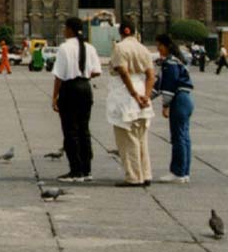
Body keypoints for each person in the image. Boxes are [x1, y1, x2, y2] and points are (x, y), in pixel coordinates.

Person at [52, 17, 103, 183]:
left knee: (70, 130)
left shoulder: (64, 47)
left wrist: (54, 97)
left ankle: (75, 170)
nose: (63, 31)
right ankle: (87, 169)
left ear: (70, 30)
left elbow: (59, 76)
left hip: (70, 89)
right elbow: (97, 71)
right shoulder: (89, 47)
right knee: (84, 130)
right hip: (86, 88)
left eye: (65, 28)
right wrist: (85, 74)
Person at [107, 21, 156, 187]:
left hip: (126, 96)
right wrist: (146, 96)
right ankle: (146, 173)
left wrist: (134, 95)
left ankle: (134, 177)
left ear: (122, 32)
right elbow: (151, 75)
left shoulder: (119, 48)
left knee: (127, 138)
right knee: (141, 138)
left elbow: (123, 72)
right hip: (143, 93)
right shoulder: (144, 49)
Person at [153, 34, 195, 183]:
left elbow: (168, 86)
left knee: (178, 137)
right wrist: (147, 96)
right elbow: (159, 86)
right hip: (186, 99)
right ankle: (184, 172)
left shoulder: (170, 63)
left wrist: (165, 105)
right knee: (184, 137)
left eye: (160, 45)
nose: (158, 48)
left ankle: (177, 172)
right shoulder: (177, 61)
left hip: (179, 99)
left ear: (167, 46)